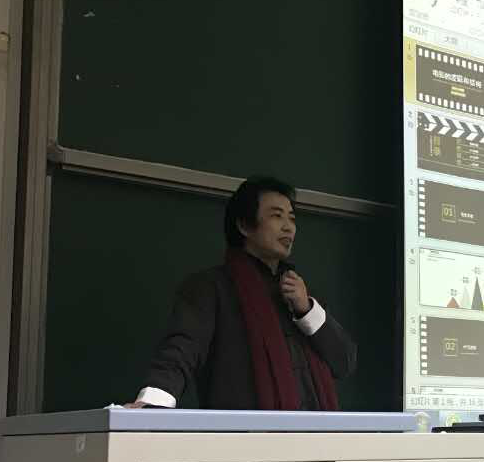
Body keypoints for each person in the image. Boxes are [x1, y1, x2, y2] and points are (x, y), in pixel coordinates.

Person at [127, 176, 357, 410]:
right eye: (276, 216)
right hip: (246, 431)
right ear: (244, 225)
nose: (288, 227)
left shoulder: (300, 295)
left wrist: (306, 310)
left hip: (318, 432)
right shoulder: (212, 287)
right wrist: (152, 404)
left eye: (292, 218)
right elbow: (181, 351)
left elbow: (344, 362)